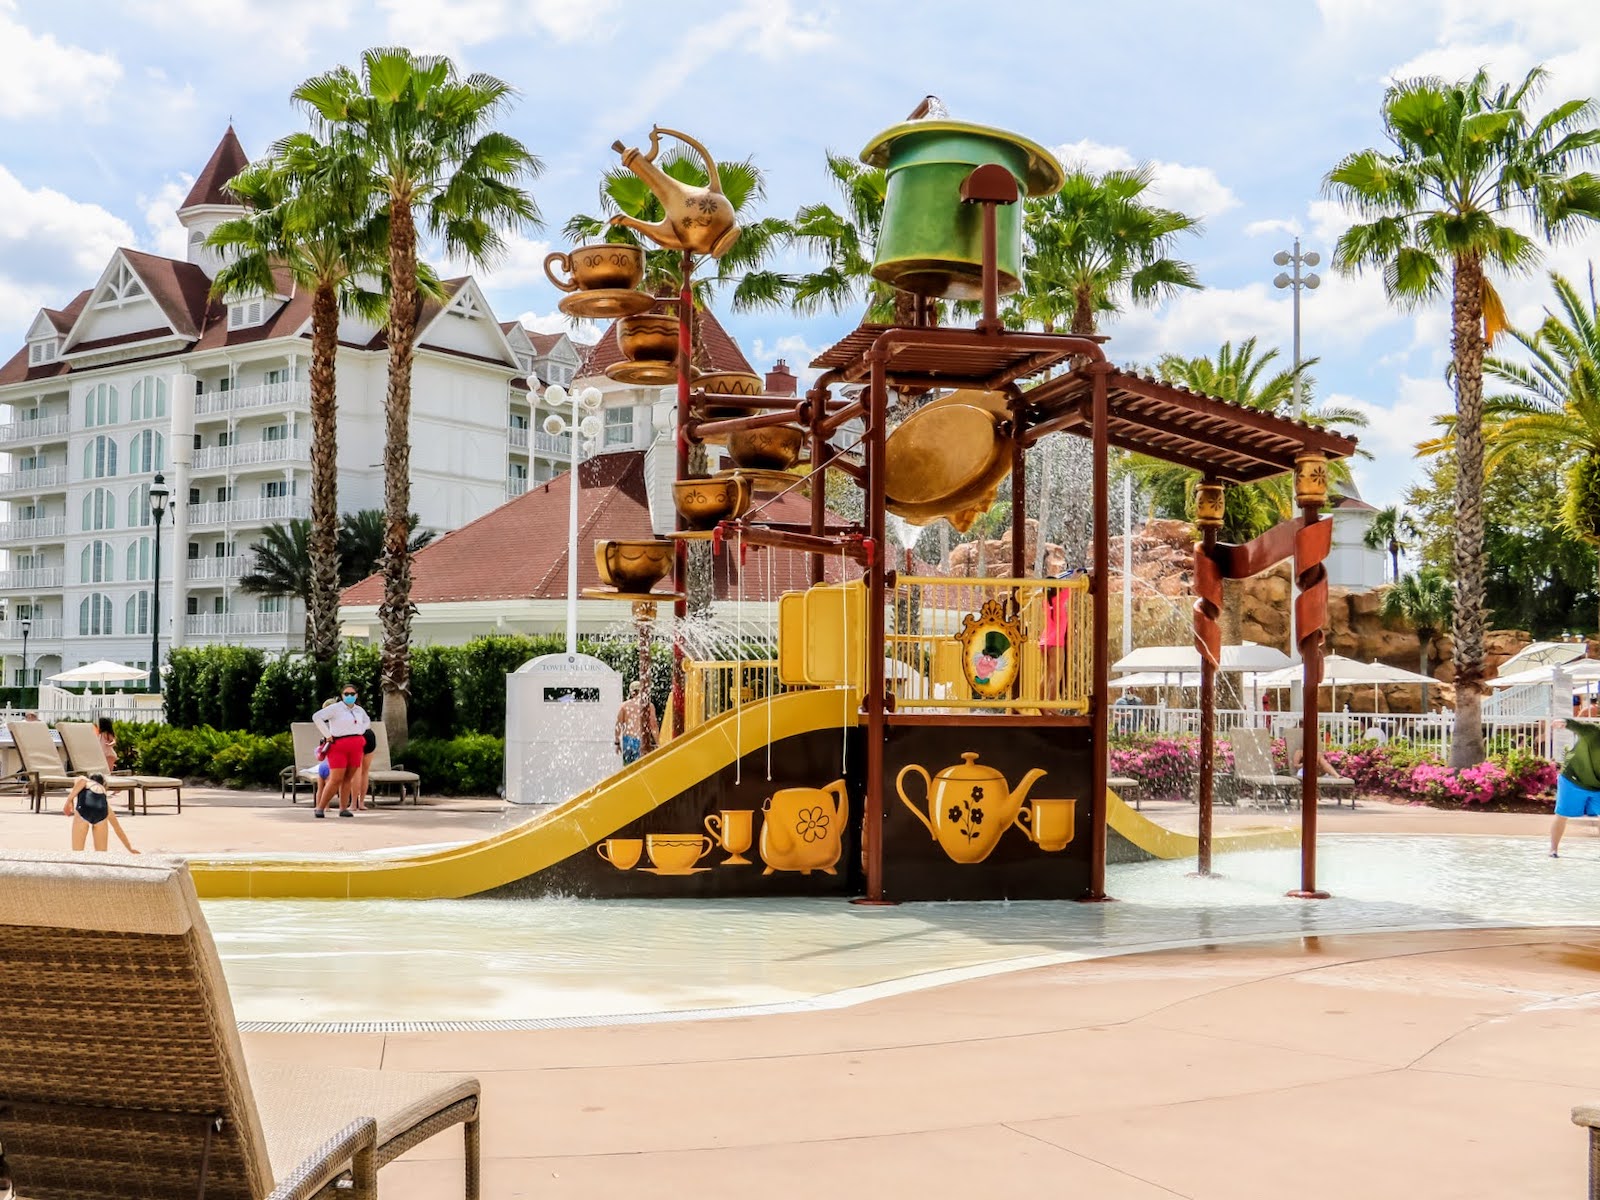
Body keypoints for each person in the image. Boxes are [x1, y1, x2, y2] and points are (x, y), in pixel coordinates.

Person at [311, 685, 371, 818]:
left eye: (352, 693)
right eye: (346, 693)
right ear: (342, 695)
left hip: (355, 744)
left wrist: (360, 729)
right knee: (336, 778)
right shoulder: (335, 708)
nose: (349, 696)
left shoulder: (359, 710)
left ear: (356, 695)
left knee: (348, 778)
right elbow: (317, 717)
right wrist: (327, 734)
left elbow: (367, 721)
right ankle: (320, 807)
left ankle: (343, 808)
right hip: (338, 744)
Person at [1551, 717, 1600, 857]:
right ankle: (1553, 849)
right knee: (1562, 814)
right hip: (1573, 779)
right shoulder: (1593, 732)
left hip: (1597, 785)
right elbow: (1578, 726)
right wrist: (1564, 722)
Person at [64, 772, 137, 853]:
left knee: (77, 853)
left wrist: (69, 801)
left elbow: (82, 780)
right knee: (101, 855)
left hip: (84, 809)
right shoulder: (104, 799)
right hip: (101, 811)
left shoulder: (86, 781)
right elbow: (117, 828)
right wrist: (130, 848)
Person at [614, 681, 658, 765]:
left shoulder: (624, 705)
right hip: (641, 740)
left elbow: (618, 725)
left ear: (631, 692)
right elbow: (653, 726)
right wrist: (658, 743)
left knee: (629, 768)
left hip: (627, 740)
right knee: (641, 768)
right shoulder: (648, 706)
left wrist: (617, 742)